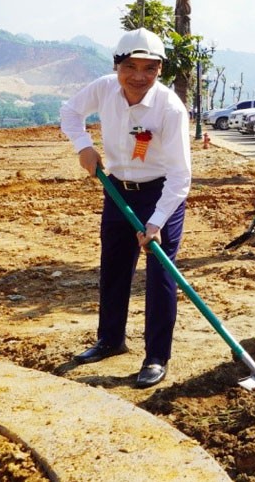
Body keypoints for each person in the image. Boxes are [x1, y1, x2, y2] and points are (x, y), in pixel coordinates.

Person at [60, 28, 192, 388]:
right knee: (115, 265)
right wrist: (83, 146)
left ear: (160, 70)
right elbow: (70, 111)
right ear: (116, 65)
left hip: (161, 193)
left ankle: (156, 356)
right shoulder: (103, 88)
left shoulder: (170, 108)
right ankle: (111, 339)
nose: (138, 76)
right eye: (130, 66)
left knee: (160, 274)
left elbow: (181, 175)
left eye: (149, 68)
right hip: (117, 189)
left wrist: (157, 222)